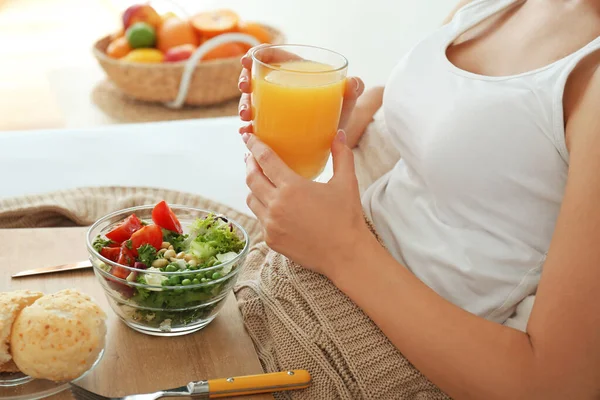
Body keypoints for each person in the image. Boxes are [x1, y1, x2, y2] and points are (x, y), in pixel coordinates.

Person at [236, 0, 600, 398]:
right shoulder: (497, 7)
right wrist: (333, 120)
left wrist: (341, 251)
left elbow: (557, 386)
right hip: (281, 284)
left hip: (363, 364)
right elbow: (438, 128)